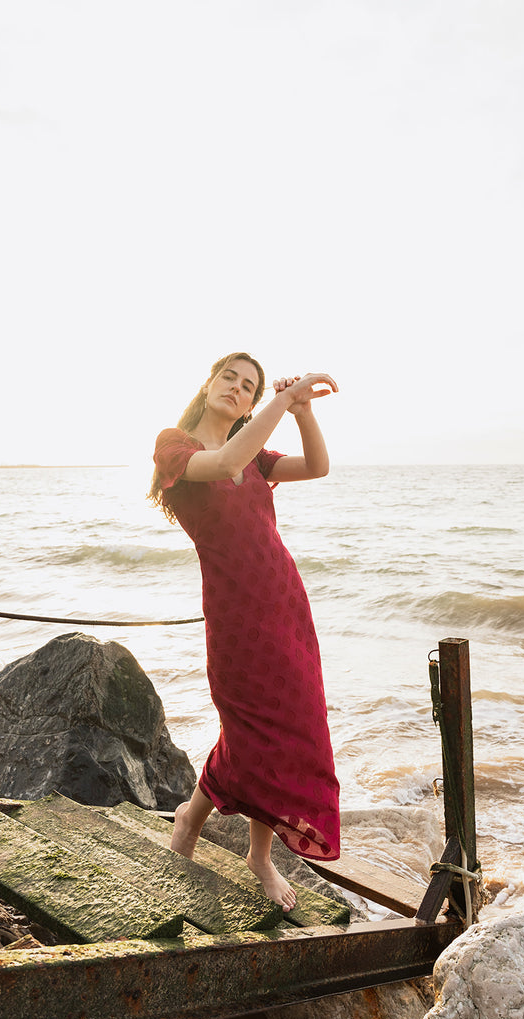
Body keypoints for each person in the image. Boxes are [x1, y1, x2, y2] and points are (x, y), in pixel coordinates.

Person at [149, 352, 340, 912]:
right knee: (252, 727)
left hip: (285, 605)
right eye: (229, 377)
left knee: (290, 728)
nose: (236, 388)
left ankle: (257, 854)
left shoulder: (256, 456)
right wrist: (282, 398)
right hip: (236, 616)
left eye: (249, 386)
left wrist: (302, 409)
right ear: (209, 384)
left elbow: (317, 466)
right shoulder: (174, 446)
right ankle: (194, 821)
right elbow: (228, 459)